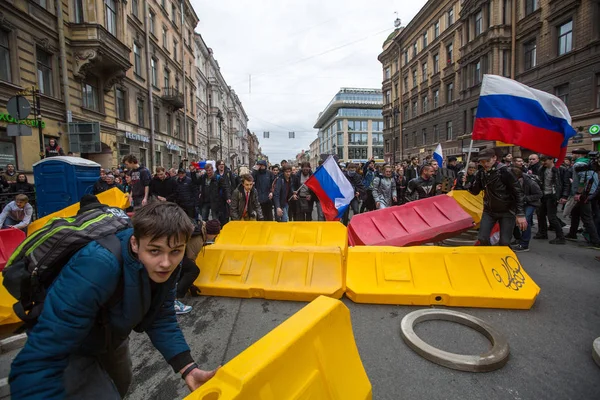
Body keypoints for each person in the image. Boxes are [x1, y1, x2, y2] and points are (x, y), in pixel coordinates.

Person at [9, 202, 218, 398]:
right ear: (135, 243)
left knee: (120, 384)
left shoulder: (170, 262)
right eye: (155, 250)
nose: (166, 263)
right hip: (72, 345)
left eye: (176, 251)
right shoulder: (96, 265)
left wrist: (187, 368)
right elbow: (39, 361)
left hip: (111, 338)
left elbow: (160, 316)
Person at [468, 148, 527, 246]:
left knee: (504, 242)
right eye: (482, 162)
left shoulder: (505, 171)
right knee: (482, 238)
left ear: (494, 158)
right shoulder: (481, 173)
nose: (485, 164)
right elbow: (475, 191)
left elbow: (518, 192)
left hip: (507, 211)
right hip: (489, 210)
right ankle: (489, 257)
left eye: (487, 161)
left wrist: (520, 214)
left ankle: (502, 257)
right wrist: (467, 183)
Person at [534, 155, 566, 244]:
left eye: (545, 160)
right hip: (543, 194)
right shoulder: (542, 169)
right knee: (540, 214)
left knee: (552, 217)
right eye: (542, 161)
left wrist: (564, 196)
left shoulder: (559, 169)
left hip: (553, 195)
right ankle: (542, 233)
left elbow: (565, 183)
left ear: (551, 159)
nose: (543, 163)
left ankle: (560, 237)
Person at [512, 168, 543, 252]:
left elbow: (539, 194)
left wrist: (525, 198)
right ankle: (518, 238)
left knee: (525, 221)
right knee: (513, 219)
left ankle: (524, 244)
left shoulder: (530, 182)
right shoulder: (515, 181)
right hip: (520, 202)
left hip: (530, 203)